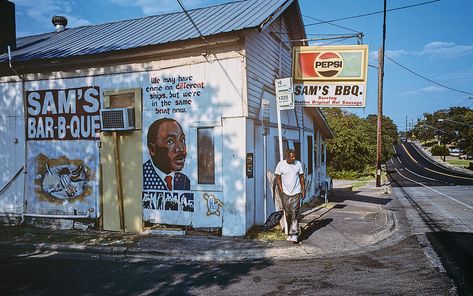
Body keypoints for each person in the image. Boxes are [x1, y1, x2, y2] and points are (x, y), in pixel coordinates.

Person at [143, 118, 191, 191]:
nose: (181, 149)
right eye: (170, 141)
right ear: (153, 149)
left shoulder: (183, 181)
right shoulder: (143, 177)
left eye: (182, 140)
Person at [275, 149, 305, 243]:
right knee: (287, 213)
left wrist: (303, 190)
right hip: (285, 193)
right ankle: (289, 233)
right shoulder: (281, 165)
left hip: (296, 191)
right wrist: (281, 189)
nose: (294, 158)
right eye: (292, 157)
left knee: (295, 212)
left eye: (294, 156)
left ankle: (295, 234)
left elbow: (301, 177)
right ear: (287, 156)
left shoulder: (298, 164)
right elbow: (278, 177)